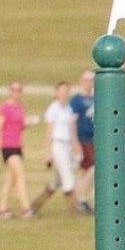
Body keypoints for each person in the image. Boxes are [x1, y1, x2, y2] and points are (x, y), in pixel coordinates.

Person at [31, 80, 84, 216]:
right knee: (68, 177)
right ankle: (74, 209)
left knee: (57, 181)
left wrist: (75, 145)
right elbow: (49, 131)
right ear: (56, 93)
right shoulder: (53, 109)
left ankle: (35, 205)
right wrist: (47, 152)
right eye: (62, 91)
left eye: (67, 91)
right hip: (57, 144)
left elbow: (71, 129)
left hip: (67, 144)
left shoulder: (68, 109)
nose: (65, 94)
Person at [0, 81, 34, 219]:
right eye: (13, 90)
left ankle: (2, 209)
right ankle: (26, 208)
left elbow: (21, 126)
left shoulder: (20, 108)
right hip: (7, 146)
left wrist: (29, 123)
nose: (16, 92)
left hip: (18, 146)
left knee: (10, 180)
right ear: (9, 91)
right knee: (20, 175)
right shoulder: (4, 108)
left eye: (18, 90)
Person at [70, 70, 96, 214]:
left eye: (91, 80)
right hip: (83, 139)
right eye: (86, 80)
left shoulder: (96, 98)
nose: (89, 83)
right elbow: (72, 122)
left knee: (86, 170)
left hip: (93, 139)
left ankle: (81, 198)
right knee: (91, 168)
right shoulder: (77, 100)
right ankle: (82, 199)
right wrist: (75, 142)